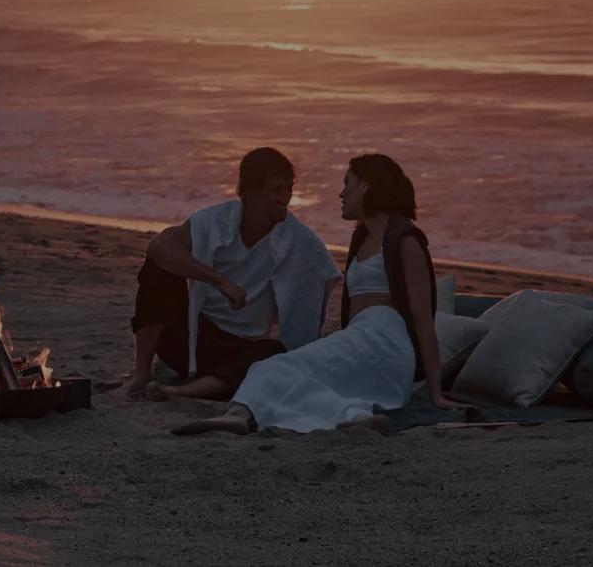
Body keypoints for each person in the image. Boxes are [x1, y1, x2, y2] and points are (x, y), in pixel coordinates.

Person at [175, 153, 464, 435]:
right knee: (287, 372)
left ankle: (242, 414)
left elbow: (423, 322)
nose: (341, 193)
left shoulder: (406, 240)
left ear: (365, 186)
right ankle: (352, 416)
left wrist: (435, 394)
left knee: (275, 368)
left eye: (347, 182)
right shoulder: (361, 237)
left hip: (386, 344)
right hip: (361, 338)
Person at [126, 147, 342, 401]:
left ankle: (181, 392)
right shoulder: (216, 221)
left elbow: (325, 280)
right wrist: (220, 281)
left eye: (288, 188)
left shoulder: (299, 239)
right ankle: (141, 374)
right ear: (247, 192)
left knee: (274, 352)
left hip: (241, 348)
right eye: (276, 190)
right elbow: (160, 247)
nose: (285, 198)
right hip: (192, 341)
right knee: (158, 270)